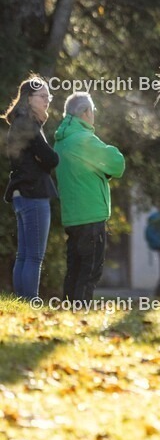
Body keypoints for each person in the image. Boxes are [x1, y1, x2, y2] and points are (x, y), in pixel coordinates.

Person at [54, 93, 125, 302]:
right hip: (91, 215)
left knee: (74, 269)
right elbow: (117, 163)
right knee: (90, 270)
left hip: (71, 216)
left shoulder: (61, 141)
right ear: (86, 112)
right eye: (92, 111)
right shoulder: (84, 139)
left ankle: (68, 311)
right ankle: (80, 312)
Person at [3, 76, 59, 299]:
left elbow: (39, 157)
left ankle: (22, 300)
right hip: (33, 193)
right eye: (43, 96)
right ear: (29, 98)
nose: (47, 100)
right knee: (34, 256)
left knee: (24, 255)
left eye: (49, 96)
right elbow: (52, 158)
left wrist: (41, 158)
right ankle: (31, 300)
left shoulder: (20, 121)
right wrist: (44, 158)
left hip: (20, 194)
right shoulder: (28, 124)